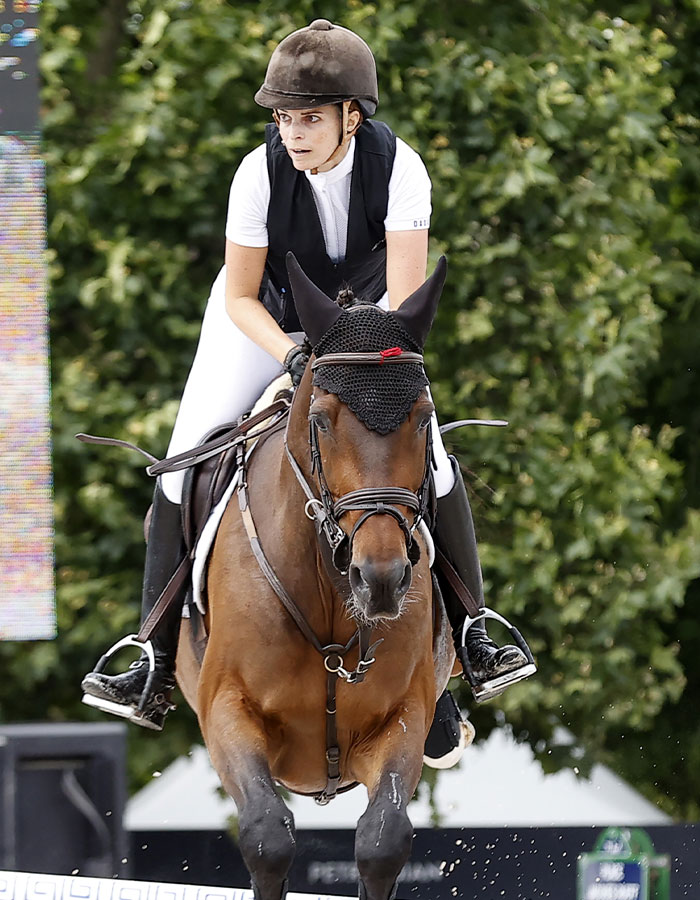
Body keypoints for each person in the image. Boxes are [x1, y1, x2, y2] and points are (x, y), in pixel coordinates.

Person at [81, 20, 533, 757]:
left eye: (310, 117)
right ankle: (152, 656)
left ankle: (470, 641)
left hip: (371, 335)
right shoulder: (257, 174)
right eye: (284, 117)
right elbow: (239, 298)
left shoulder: (403, 169)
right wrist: (293, 356)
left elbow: (403, 301)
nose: (293, 132)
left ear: (351, 116)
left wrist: (343, 362)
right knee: (181, 463)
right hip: (263, 325)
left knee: (432, 458)